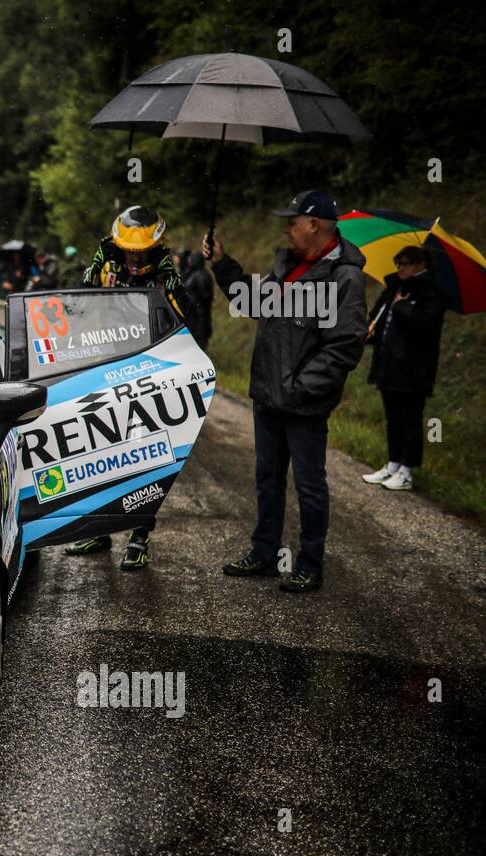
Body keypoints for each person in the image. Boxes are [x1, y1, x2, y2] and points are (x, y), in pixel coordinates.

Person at [205, 189, 368, 593]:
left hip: (302, 405)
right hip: (268, 398)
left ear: (314, 225)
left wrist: (298, 388)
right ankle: (264, 553)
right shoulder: (289, 267)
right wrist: (223, 265)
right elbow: (255, 302)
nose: (286, 229)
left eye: (292, 222)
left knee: (310, 486)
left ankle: (310, 563)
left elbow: (344, 347)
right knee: (267, 479)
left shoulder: (344, 276)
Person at [65, 205, 194, 571]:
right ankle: (101, 530)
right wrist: (96, 265)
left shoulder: (166, 273)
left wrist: (170, 284)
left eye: (141, 253)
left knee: (145, 459)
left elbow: (187, 319)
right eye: (127, 251)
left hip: (150, 377)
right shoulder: (107, 265)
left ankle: (140, 535)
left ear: (155, 247)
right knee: (101, 456)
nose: (134, 260)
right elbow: (77, 307)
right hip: (108, 371)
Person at [361, 245, 446, 491]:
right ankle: (393, 464)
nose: (400, 267)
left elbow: (424, 328)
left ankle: (407, 471)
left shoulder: (432, 295)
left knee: (410, 419)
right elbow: (381, 321)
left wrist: (401, 307)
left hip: (414, 371)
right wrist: (370, 332)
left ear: (422, 265)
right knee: (393, 419)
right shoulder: (394, 289)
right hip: (388, 367)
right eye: (398, 262)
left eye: (406, 263)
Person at [179, 249, 214, 351]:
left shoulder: (199, 276)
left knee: (200, 334)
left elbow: (205, 295)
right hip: (196, 312)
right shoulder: (198, 274)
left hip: (199, 312)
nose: (190, 261)